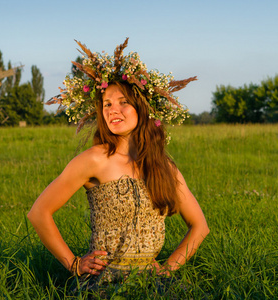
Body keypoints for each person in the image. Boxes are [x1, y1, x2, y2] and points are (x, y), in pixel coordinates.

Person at [27, 38, 209, 289]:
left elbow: (200, 226)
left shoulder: (162, 166)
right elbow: (39, 213)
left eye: (123, 102)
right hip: (104, 282)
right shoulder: (94, 159)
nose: (114, 110)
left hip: (152, 282)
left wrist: (168, 269)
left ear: (142, 108)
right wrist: (74, 264)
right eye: (107, 104)